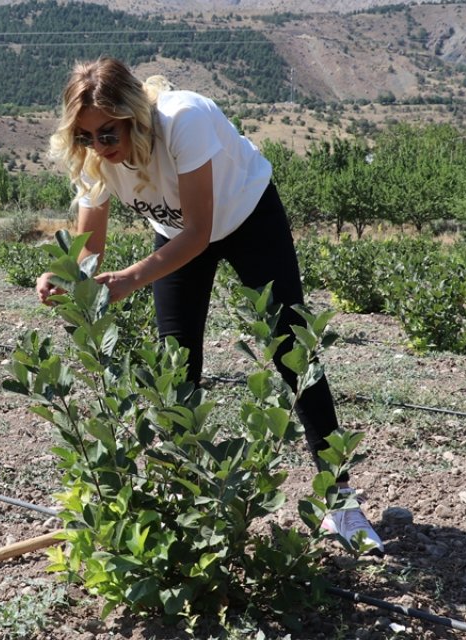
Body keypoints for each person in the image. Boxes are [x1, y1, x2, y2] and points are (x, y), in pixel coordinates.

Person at [35, 56, 383, 554]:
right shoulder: (95, 158)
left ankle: (342, 504)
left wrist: (131, 279)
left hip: (246, 217)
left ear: (134, 114)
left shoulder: (185, 120)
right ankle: (186, 499)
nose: (99, 147)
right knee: (175, 364)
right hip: (177, 232)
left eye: (109, 134)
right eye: (86, 137)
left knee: (293, 353)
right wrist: (64, 277)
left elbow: (200, 232)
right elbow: (89, 251)